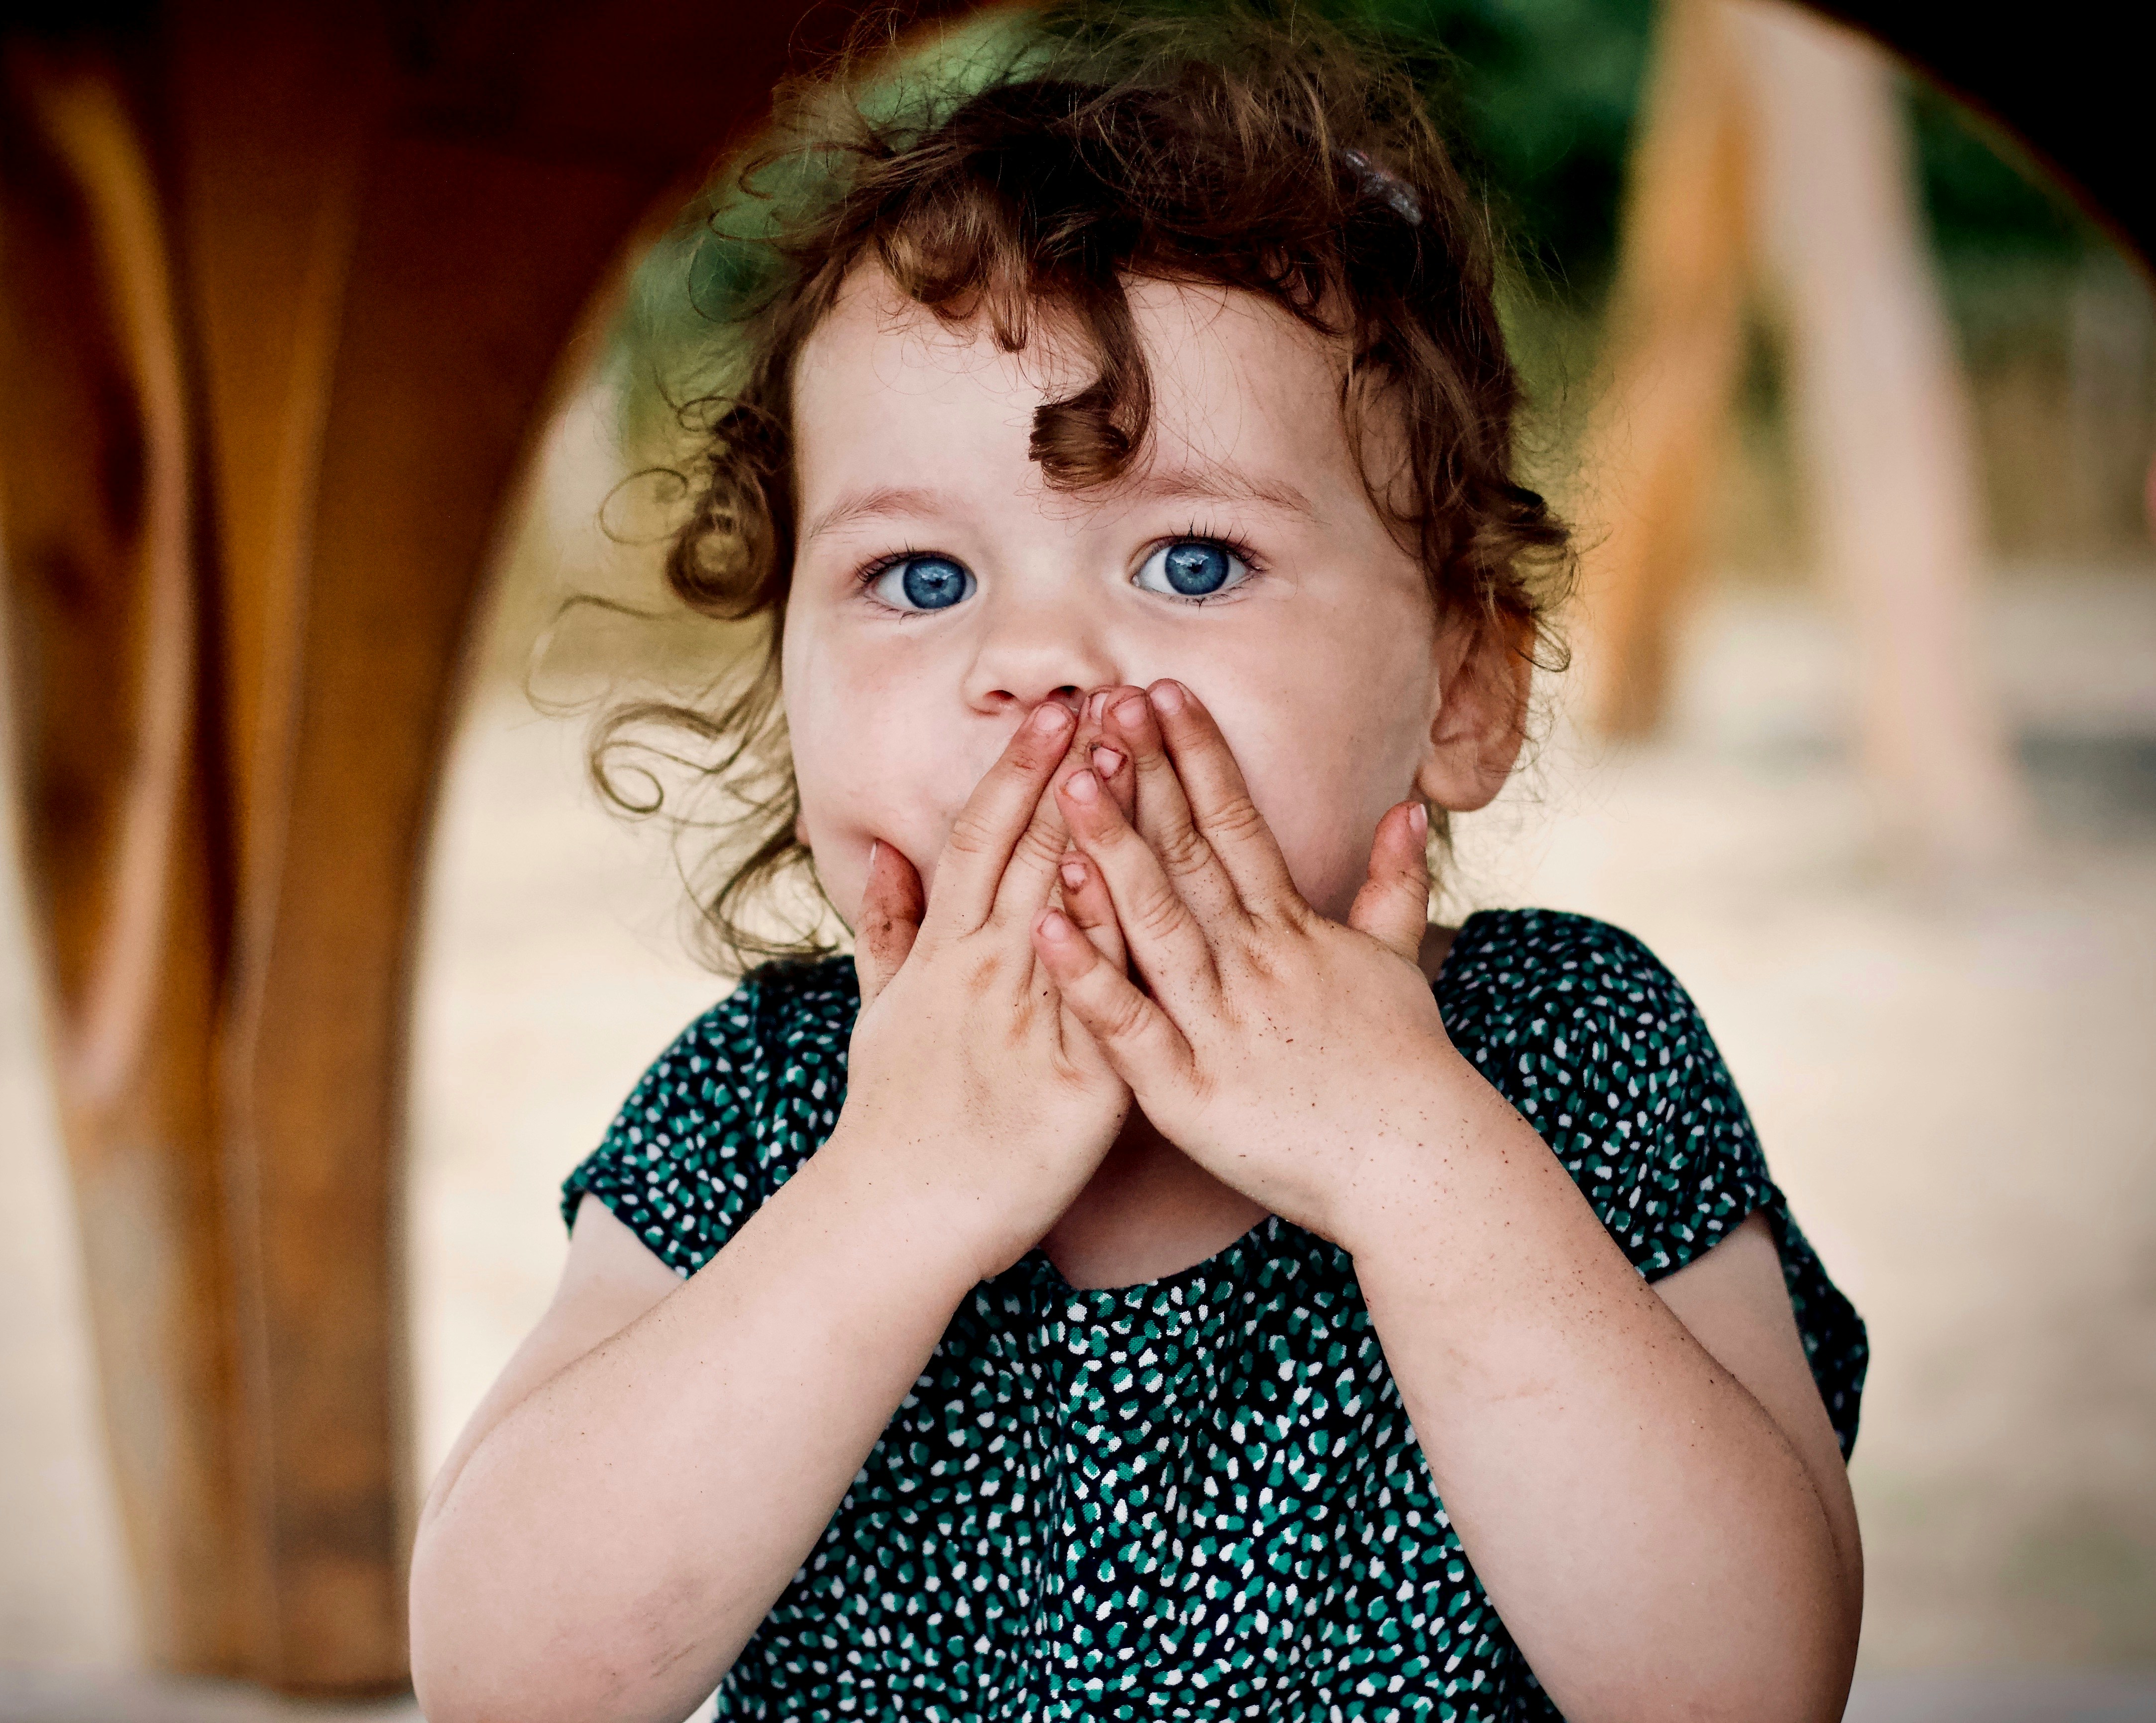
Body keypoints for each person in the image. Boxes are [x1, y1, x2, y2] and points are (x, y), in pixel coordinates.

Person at [409, 8, 1868, 1719]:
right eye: (923, 579)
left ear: (1465, 688)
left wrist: (1403, 1147)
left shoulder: (1561, 1053)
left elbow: (1747, 1687)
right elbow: (508, 1680)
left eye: (1189, 559)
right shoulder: (776, 1108)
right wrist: (896, 1192)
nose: (1035, 662)